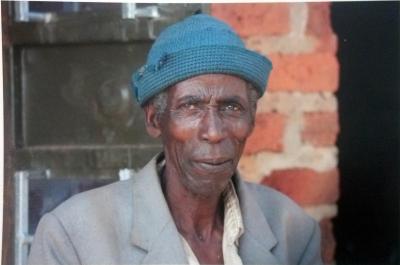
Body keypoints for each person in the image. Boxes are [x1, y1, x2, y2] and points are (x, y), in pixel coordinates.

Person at [28, 14, 323, 265]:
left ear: (252, 118)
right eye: (191, 107)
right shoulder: (73, 237)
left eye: (231, 107)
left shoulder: (292, 230)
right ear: (155, 120)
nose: (214, 131)